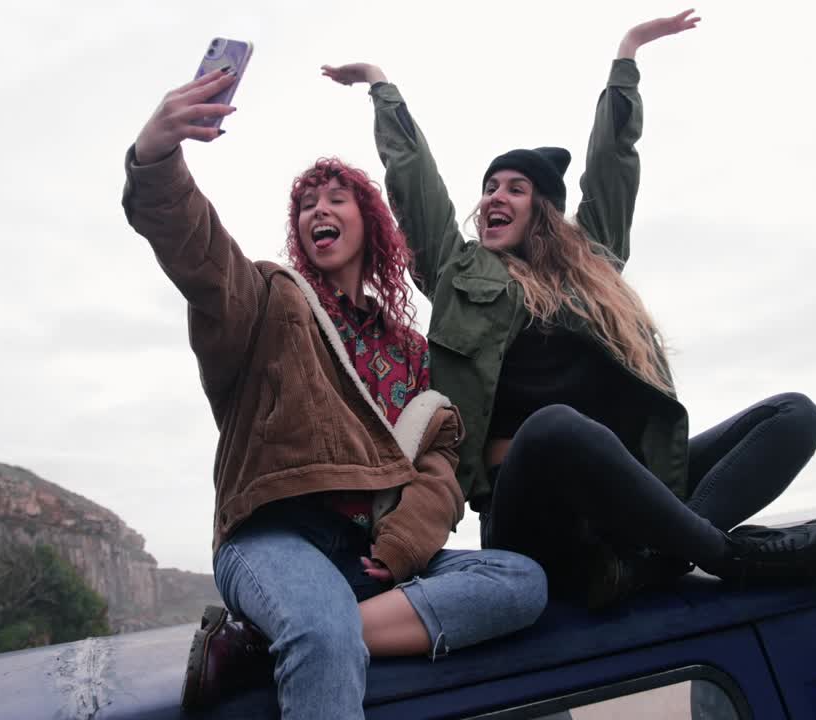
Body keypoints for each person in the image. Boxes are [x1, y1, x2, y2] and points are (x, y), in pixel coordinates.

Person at [322, 9, 816, 609]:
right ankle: (728, 557)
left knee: (795, 415)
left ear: (545, 211)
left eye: (513, 187)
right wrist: (382, 87)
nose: (493, 198)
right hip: (535, 512)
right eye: (488, 187)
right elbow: (414, 181)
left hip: (630, 500)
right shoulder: (458, 272)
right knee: (556, 426)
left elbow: (614, 165)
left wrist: (628, 55)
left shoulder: (592, 268)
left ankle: (660, 558)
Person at [122, 68, 547, 718]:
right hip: (272, 538)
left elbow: (436, 461)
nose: (318, 209)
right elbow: (198, 252)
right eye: (307, 203)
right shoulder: (266, 300)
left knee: (521, 582)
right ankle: (313, 630)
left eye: (336, 198)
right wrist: (156, 162)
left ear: (368, 222)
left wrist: (405, 543)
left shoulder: (407, 346)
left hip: (370, 555)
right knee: (323, 635)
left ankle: (266, 643)